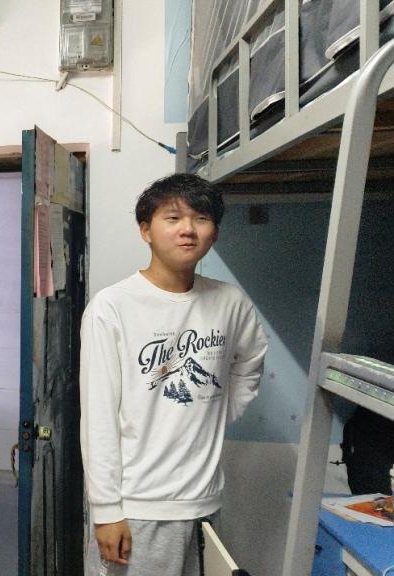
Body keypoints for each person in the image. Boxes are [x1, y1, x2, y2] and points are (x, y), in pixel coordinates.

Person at [80, 173, 268, 576]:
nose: (188, 229)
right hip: (137, 506)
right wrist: (106, 509)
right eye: (173, 218)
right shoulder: (111, 307)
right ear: (145, 230)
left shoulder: (229, 302)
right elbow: (98, 417)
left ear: (214, 233)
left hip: (203, 504)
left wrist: (215, 413)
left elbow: (251, 362)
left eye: (201, 218)